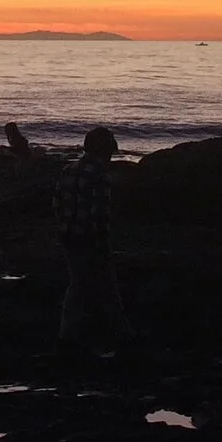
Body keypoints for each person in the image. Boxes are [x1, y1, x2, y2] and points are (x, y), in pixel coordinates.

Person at [48, 124, 131, 364]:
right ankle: (74, 340)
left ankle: (83, 338)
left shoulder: (68, 170)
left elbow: (57, 204)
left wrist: (63, 229)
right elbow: (100, 214)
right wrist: (103, 243)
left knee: (84, 286)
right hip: (89, 239)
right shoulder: (100, 175)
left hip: (69, 237)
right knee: (91, 288)